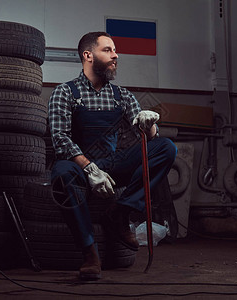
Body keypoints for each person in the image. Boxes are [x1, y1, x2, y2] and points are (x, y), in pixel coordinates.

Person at [48, 32, 177, 280]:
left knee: (166, 148)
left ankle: (120, 212)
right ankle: (89, 254)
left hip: (111, 164)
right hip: (78, 165)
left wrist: (148, 123)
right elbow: (60, 139)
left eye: (115, 50)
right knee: (61, 174)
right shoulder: (65, 93)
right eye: (107, 50)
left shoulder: (123, 96)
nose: (115, 55)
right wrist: (89, 169)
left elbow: (148, 137)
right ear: (88, 55)